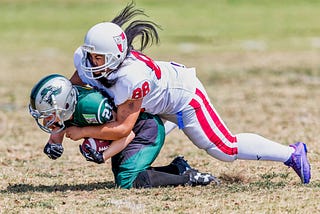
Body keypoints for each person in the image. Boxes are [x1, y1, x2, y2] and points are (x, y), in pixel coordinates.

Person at [67, 2, 311, 184]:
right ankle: (175, 169)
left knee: (224, 149)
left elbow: (123, 129)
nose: (91, 62)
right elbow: (73, 93)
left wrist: (83, 132)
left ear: (116, 54)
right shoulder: (89, 61)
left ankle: (291, 154)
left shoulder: (131, 77)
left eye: (98, 57)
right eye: (89, 54)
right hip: (154, 104)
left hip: (181, 98)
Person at [29, 74, 218, 189]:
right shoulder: (69, 106)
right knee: (125, 173)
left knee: (127, 180)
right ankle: (177, 169)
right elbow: (60, 123)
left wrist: (102, 154)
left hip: (144, 130)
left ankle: (189, 178)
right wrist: (55, 142)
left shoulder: (92, 107)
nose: (48, 120)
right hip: (125, 132)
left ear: (67, 104)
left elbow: (126, 132)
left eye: (50, 114)